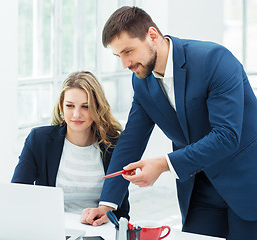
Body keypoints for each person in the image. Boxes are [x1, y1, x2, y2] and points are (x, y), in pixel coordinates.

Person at [80, 6, 257, 239]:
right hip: (198, 190)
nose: (125, 64)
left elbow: (226, 136)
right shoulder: (142, 82)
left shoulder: (214, 60)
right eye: (118, 56)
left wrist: (164, 164)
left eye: (128, 51)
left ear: (152, 35)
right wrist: (108, 204)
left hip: (246, 183)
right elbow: (131, 141)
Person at [11, 71, 130, 219]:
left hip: (98, 231)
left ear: (98, 108)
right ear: (61, 107)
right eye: (70, 106)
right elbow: (18, 193)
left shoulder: (114, 146)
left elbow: (122, 211)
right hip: (53, 230)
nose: (76, 114)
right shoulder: (38, 140)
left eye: (85, 106)